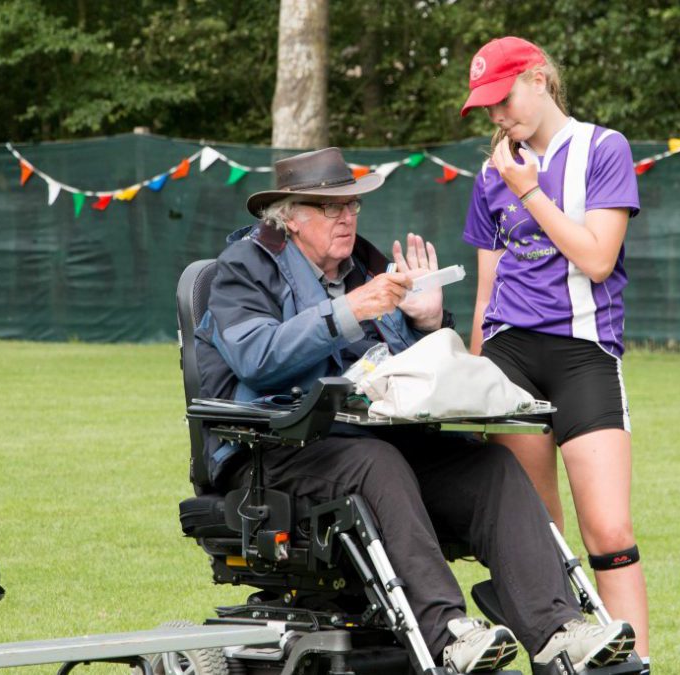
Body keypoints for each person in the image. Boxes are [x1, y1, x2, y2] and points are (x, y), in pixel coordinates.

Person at [195, 147, 636, 672]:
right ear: (290, 218)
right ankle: (448, 633)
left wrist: (427, 323)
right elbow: (256, 358)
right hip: (274, 451)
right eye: (331, 207)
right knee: (376, 464)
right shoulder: (242, 268)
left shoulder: (366, 266)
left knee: (491, 466)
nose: (347, 217)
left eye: (352, 206)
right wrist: (347, 311)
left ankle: (557, 628)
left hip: (374, 443)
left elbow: (399, 373)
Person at [459, 37, 650, 672]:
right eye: (486, 106)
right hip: (509, 358)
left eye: (503, 98)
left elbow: (597, 259)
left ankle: (635, 664)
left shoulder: (604, 148)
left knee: (610, 532)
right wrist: (474, 375)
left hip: (583, 356)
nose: (496, 115)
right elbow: (487, 285)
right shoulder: (491, 171)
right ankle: (560, 659)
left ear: (539, 80)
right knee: (537, 537)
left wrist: (530, 191)